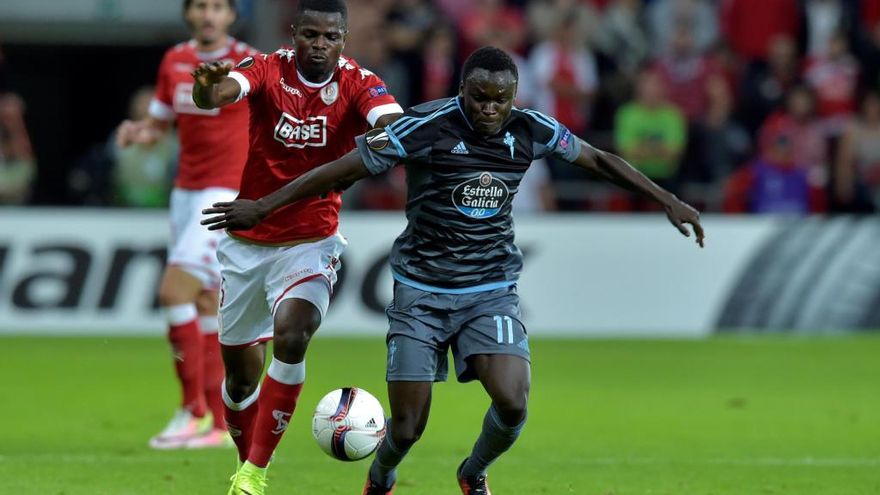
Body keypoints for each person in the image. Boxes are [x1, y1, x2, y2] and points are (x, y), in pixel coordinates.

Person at [202, 46, 704, 495]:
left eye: (500, 99)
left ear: (514, 96)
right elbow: (342, 168)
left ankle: (473, 471)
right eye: (480, 97)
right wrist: (264, 205)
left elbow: (598, 160)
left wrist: (667, 199)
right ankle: (380, 476)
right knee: (406, 428)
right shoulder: (425, 128)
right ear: (462, 89)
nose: (490, 109)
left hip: (490, 290)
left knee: (513, 402)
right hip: (420, 293)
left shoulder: (532, 128)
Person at [189, 0, 403, 492]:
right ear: (294, 34)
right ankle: (247, 462)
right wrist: (206, 86)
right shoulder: (268, 68)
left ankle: (255, 474)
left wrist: (388, 133)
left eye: (330, 37)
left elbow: (391, 121)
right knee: (241, 382)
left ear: (343, 40)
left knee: (293, 333)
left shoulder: (358, 82)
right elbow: (221, 91)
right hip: (246, 243)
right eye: (311, 35)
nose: (320, 45)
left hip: (312, 239)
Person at [114, 0, 257, 450]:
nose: (209, 15)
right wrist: (140, 132)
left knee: (171, 291)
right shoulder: (174, 60)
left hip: (223, 194)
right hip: (184, 193)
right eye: (201, 6)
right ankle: (215, 422)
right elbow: (160, 121)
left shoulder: (247, 61)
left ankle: (190, 409)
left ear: (232, 15)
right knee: (202, 301)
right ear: (189, 13)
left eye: (218, 7)